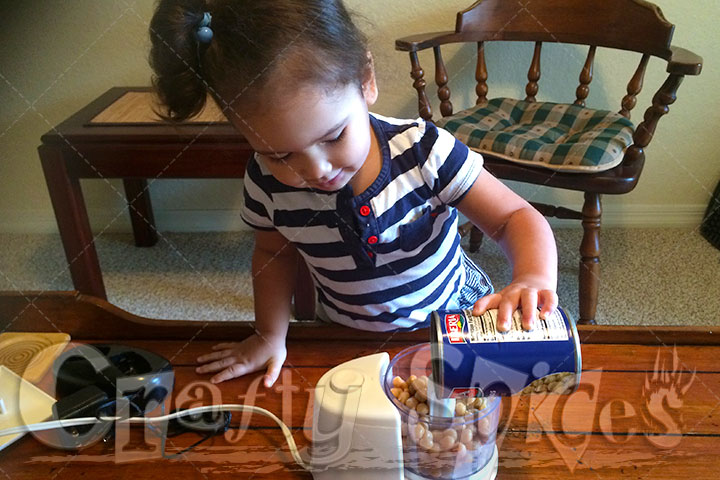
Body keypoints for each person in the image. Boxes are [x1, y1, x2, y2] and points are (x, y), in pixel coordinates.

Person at [148, 0, 558, 388]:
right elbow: (273, 253)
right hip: (345, 330)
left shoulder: (425, 151)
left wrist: (532, 276)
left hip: (454, 321)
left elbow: (512, 218)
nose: (316, 170)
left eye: (334, 136)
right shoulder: (264, 181)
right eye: (279, 154)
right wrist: (269, 335)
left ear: (366, 81)